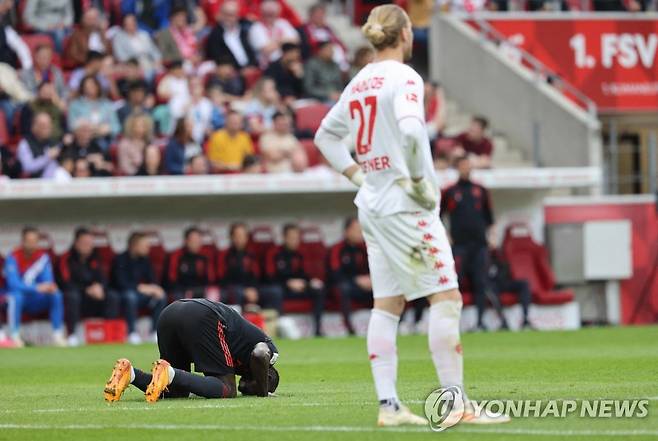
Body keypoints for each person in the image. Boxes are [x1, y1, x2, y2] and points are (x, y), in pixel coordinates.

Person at [313, 5, 509, 427]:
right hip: (406, 205)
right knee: (447, 298)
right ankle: (456, 405)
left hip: (373, 206)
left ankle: (389, 407)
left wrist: (357, 176)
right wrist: (420, 180)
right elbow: (410, 129)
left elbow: (324, 136)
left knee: (387, 305)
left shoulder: (360, 80)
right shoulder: (405, 77)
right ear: (405, 34)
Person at [103, 298, 279, 402]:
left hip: (169, 313)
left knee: (176, 391)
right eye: (258, 385)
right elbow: (260, 354)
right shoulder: (268, 351)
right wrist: (264, 394)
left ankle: (131, 374)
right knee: (227, 388)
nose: (248, 389)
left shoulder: (245, 361)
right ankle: (170, 373)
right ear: (267, 375)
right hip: (202, 315)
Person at [440, 156, 499, 332]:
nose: (466, 169)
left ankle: (480, 321)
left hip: (479, 245)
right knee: (455, 283)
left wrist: (492, 237)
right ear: (457, 168)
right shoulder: (450, 191)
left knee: (481, 282)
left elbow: (490, 218)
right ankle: (453, 322)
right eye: (462, 166)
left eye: (468, 165)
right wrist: (446, 236)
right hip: (459, 245)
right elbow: (438, 216)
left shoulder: (480, 190)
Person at [3, 226, 65, 347]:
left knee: (56, 295)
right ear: (22, 241)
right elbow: (13, 284)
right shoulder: (13, 257)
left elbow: (47, 281)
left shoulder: (43, 257)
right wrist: (36, 288)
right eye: (28, 241)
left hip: (35, 299)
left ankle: (57, 334)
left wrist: (49, 287)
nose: (31, 245)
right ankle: (14, 335)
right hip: (17, 298)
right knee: (16, 297)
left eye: (34, 241)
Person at [58, 227, 120, 346]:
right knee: (72, 296)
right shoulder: (66, 258)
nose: (88, 246)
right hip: (77, 297)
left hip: (93, 298)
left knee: (112, 296)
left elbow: (103, 278)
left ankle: (109, 333)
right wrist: (86, 290)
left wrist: (100, 287)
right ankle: (72, 335)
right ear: (76, 243)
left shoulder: (95, 258)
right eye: (84, 243)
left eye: (90, 243)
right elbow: (65, 283)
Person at [263, 224, 325, 337]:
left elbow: (307, 274)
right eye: (291, 238)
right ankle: (282, 327)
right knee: (275, 291)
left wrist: (308, 282)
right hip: (282, 288)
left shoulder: (302, 253)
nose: (294, 241)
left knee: (318, 289)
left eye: (297, 238)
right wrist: (288, 283)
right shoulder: (274, 253)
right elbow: (270, 276)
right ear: (284, 238)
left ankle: (318, 329)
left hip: (301, 287)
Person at [110, 232, 167, 345]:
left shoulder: (145, 260)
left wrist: (155, 289)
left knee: (161, 296)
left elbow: (153, 280)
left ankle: (155, 332)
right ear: (134, 245)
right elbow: (121, 283)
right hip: (121, 296)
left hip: (140, 296)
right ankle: (132, 333)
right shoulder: (120, 259)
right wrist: (141, 287)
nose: (148, 248)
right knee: (130, 297)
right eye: (145, 245)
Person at [329, 217, 371, 335]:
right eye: (356, 230)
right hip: (346, 285)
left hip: (364, 286)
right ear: (346, 231)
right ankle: (349, 328)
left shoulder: (364, 248)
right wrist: (356, 280)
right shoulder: (337, 249)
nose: (360, 233)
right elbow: (335, 273)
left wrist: (370, 280)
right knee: (344, 288)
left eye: (361, 230)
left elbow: (373, 268)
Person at [67, 75, 120, 150]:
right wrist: (86, 128)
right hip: (84, 140)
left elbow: (116, 127)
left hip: (104, 139)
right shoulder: (75, 105)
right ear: (82, 88)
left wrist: (108, 129)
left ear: (98, 86)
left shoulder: (107, 104)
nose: (90, 88)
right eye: (87, 86)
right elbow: (71, 126)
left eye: (92, 85)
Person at [217, 223, 261, 307]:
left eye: (242, 236)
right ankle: (237, 319)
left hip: (250, 288)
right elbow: (222, 278)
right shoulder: (224, 255)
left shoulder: (252, 254)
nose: (239, 239)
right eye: (237, 236)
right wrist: (245, 290)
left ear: (247, 237)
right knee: (238, 292)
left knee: (273, 291)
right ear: (231, 237)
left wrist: (253, 288)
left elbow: (256, 275)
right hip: (231, 288)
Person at [205, 0, 257, 70]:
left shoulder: (243, 31)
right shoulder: (215, 35)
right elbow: (218, 58)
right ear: (220, 15)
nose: (228, 18)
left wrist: (252, 66)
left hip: (251, 68)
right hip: (233, 73)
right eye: (225, 14)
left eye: (231, 15)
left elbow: (252, 52)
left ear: (237, 16)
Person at [489, 248, 532, 329]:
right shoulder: (482, 254)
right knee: (491, 290)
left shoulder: (501, 254)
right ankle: (503, 321)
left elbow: (507, 270)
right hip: (492, 285)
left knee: (524, 284)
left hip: (505, 282)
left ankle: (526, 319)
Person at [297, 3, 348, 71]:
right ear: (310, 15)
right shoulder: (303, 30)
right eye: (317, 15)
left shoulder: (328, 29)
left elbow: (339, 43)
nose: (320, 17)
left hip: (334, 59)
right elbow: (305, 48)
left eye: (322, 15)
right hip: (316, 60)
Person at [167, 227, 213, 300]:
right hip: (182, 289)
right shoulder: (176, 256)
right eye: (193, 241)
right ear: (186, 241)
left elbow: (210, 278)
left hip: (200, 289)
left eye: (198, 241)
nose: (196, 243)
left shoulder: (205, 256)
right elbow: (172, 279)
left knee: (214, 293)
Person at [248, 0, 299, 67]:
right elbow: (266, 50)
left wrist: (277, 42)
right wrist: (284, 40)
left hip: (288, 63)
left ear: (277, 13)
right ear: (262, 13)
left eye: (272, 13)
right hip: (269, 65)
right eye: (267, 13)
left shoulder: (283, 23)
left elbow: (296, 40)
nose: (270, 16)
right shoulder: (256, 28)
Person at [112, 13, 162, 78]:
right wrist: (137, 66)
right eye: (128, 23)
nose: (132, 25)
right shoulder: (119, 38)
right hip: (133, 66)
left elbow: (155, 52)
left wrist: (157, 62)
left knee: (161, 73)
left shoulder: (144, 35)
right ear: (124, 25)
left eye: (133, 22)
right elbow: (121, 56)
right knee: (147, 74)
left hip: (150, 63)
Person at [17, 112, 61, 178]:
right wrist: (47, 157)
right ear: (34, 127)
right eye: (43, 125)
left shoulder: (53, 142)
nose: (48, 128)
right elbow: (27, 167)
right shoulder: (25, 144)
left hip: (54, 183)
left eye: (49, 125)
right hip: (34, 184)